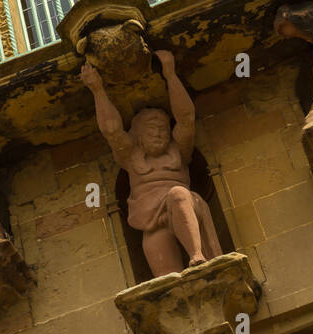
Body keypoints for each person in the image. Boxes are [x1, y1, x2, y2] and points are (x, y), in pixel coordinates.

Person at [81, 50, 222, 277]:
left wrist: (170, 74)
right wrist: (97, 90)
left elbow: (186, 118)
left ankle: (197, 254)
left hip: (183, 206)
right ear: (137, 136)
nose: (158, 134)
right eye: (151, 130)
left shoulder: (178, 151)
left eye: (162, 130)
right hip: (151, 221)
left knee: (177, 194)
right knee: (167, 280)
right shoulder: (130, 156)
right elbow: (112, 130)